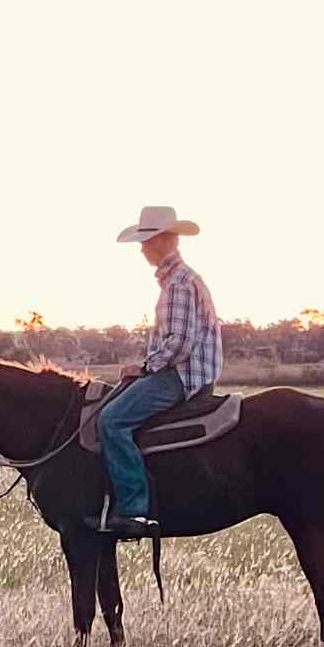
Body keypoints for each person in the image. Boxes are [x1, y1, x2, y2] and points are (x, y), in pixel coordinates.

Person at [87, 205, 223, 537]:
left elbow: (180, 343)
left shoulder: (178, 282)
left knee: (111, 421)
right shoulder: (179, 279)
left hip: (180, 376)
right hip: (186, 372)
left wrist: (146, 367)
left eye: (146, 242)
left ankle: (134, 509)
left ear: (163, 240)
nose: (143, 249)